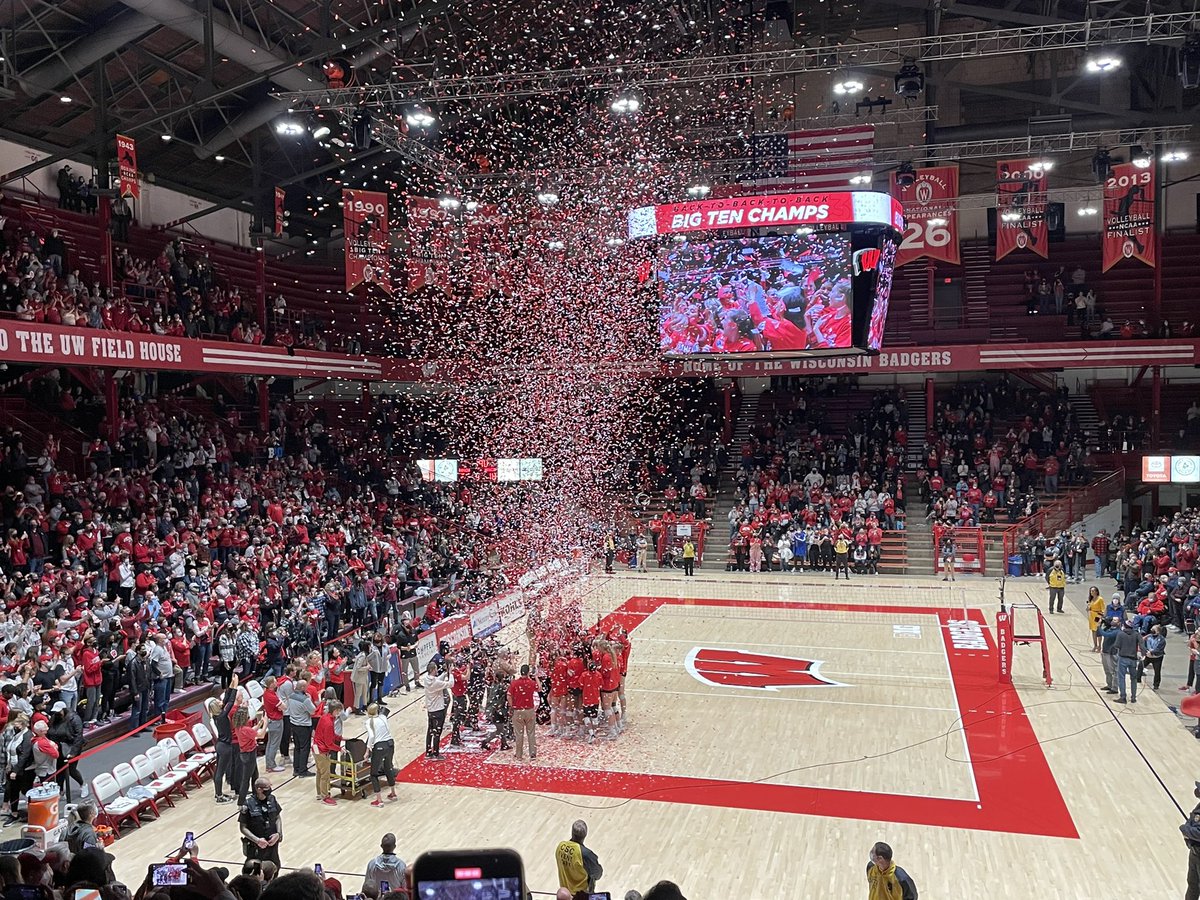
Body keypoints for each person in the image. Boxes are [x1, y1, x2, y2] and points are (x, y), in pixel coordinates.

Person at [240, 778, 283, 867]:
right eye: (267, 787)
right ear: (259, 789)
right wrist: (257, 840)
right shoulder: (248, 804)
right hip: (256, 847)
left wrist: (278, 834)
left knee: (275, 868)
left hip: (272, 844)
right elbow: (243, 828)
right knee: (256, 872)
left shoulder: (272, 799)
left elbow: (278, 818)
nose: (270, 789)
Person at [362, 702, 397, 807]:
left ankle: (379, 800)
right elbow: (385, 710)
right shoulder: (383, 718)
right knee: (388, 769)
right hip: (390, 744)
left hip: (380, 746)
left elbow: (371, 736)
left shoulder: (369, 721)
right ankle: (393, 793)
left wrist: (367, 750)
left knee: (373, 774)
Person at [556, 820, 603, 896]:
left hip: (566, 893)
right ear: (585, 835)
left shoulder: (560, 846)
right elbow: (597, 874)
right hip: (581, 895)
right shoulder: (585, 854)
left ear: (572, 832)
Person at [312, 700, 344, 806]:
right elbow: (329, 743)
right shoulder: (329, 723)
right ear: (335, 710)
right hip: (322, 750)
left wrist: (340, 738)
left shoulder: (324, 717)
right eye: (339, 711)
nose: (339, 713)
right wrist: (340, 749)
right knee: (325, 775)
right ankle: (325, 797)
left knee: (319, 772)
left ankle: (319, 793)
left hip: (316, 747)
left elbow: (329, 735)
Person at [420, 661, 452, 759]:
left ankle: (428, 752)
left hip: (430, 710)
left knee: (430, 731)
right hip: (438, 710)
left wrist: (445, 673)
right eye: (436, 669)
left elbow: (438, 679)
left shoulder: (426, 679)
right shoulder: (435, 683)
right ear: (433, 670)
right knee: (437, 733)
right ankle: (436, 753)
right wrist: (451, 674)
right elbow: (450, 684)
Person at [286, 677, 316, 777]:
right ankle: (303, 771)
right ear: (302, 687)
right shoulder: (305, 699)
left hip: (293, 724)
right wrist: (310, 699)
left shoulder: (291, 696)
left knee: (297, 748)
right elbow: (313, 710)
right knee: (304, 748)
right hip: (303, 726)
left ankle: (296, 769)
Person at [508, 664, 538, 762]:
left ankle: (519, 754)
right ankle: (532, 753)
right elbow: (540, 688)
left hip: (518, 711)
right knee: (531, 733)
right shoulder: (531, 683)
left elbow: (509, 696)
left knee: (519, 734)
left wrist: (512, 706)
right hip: (529, 710)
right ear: (528, 672)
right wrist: (536, 677)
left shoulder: (514, 683)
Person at [1114, 619, 1141, 704]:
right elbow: (1142, 645)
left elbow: (1116, 645)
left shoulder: (1120, 634)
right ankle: (1133, 697)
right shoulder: (1137, 634)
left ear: (1124, 626)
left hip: (1123, 658)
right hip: (1133, 659)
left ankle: (1123, 696)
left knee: (1121, 677)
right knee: (1134, 678)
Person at [1140, 625, 1166, 691]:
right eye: (1151, 628)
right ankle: (1138, 679)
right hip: (1148, 656)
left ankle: (1156, 685)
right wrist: (1146, 651)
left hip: (1157, 657)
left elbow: (1159, 649)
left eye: (1153, 629)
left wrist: (1152, 652)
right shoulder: (1148, 637)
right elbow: (1143, 644)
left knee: (1157, 671)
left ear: (1157, 631)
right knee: (1140, 665)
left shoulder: (1162, 639)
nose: (1151, 629)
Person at [1087, 586, 1106, 652]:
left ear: (1096, 591)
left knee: (1098, 631)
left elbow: (1103, 609)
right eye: (1091, 591)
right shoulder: (1091, 599)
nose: (1091, 592)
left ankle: (1099, 646)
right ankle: (1095, 645)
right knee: (1093, 631)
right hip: (1092, 616)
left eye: (1093, 591)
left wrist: (1101, 617)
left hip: (1097, 616)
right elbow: (1089, 608)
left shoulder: (1100, 599)